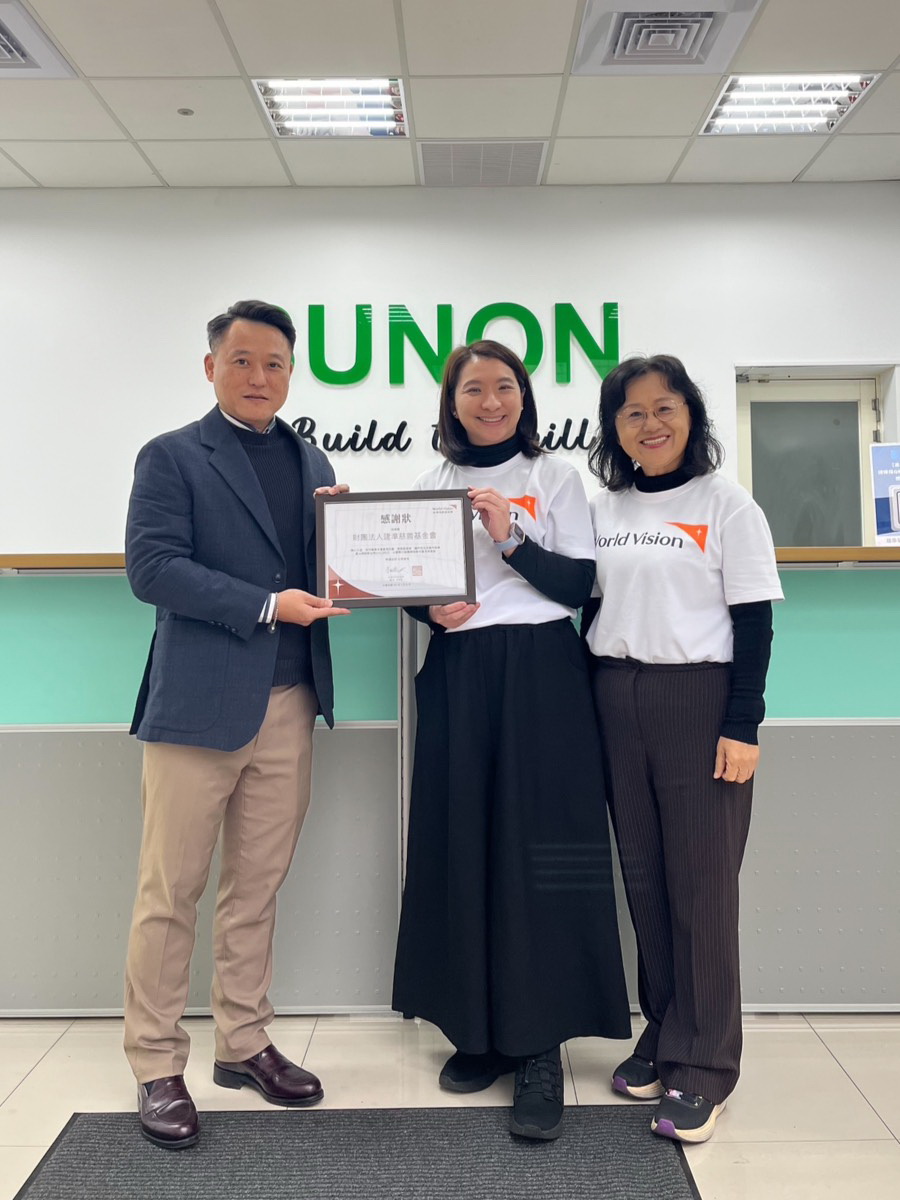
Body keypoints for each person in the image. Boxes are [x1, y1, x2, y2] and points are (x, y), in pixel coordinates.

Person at [123, 299, 349, 1150]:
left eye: (275, 363)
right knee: (170, 891)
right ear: (211, 366)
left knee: (256, 888)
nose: (260, 377)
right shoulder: (173, 455)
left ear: (292, 372)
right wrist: (265, 604)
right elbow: (153, 568)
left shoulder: (313, 458)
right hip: (197, 708)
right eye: (243, 360)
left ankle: (244, 1042)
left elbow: (328, 575)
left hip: (291, 703)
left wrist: (357, 549)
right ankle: (155, 1062)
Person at [392, 340, 631, 1142]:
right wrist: (428, 610)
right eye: (473, 389)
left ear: (523, 398)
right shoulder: (430, 485)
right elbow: (410, 586)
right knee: (462, 839)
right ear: (452, 402)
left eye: (504, 387)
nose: (490, 401)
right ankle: (479, 1031)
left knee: (542, 849)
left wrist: (511, 537)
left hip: (542, 669)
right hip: (461, 669)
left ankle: (538, 1046)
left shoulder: (555, 478)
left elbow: (578, 585)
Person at [584, 354, 783, 1144]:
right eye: (632, 412)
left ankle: (704, 1067)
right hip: (615, 694)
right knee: (645, 882)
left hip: (700, 701)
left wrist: (743, 724)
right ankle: (665, 1031)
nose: (650, 424)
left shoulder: (728, 504)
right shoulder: (604, 508)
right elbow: (587, 605)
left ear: (691, 414)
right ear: (615, 429)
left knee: (701, 889)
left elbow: (755, 622)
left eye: (664, 407)